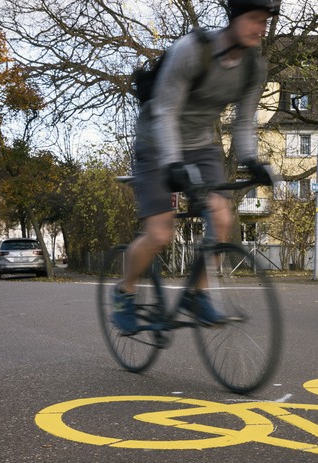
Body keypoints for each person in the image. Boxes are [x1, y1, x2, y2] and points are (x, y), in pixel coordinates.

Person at [113, 0, 279, 334]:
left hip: (201, 146)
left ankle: (196, 293)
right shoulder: (192, 50)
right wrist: (172, 162)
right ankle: (125, 292)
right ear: (234, 18)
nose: (260, 28)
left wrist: (250, 159)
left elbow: (244, 120)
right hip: (156, 143)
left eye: (265, 21)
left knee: (220, 217)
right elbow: (165, 111)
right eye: (254, 19)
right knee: (159, 232)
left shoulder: (252, 67)